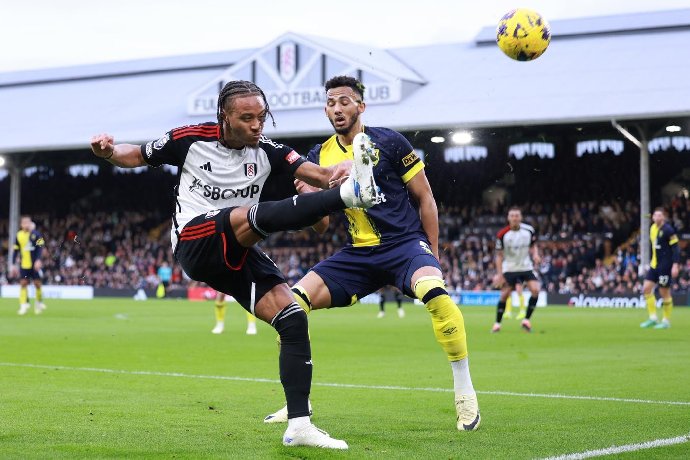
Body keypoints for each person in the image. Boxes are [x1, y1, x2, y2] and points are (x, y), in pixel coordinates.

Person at [90, 79, 382, 450]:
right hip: (196, 241)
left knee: (292, 317)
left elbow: (322, 175)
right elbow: (136, 155)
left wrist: (351, 166)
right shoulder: (190, 138)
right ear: (223, 117)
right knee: (245, 215)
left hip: (236, 248)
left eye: (262, 117)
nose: (257, 125)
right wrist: (108, 151)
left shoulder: (270, 152)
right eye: (246, 118)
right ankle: (349, 198)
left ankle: (299, 425)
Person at [264, 76, 480, 432]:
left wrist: (433, 256)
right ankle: (297, 404)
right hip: (358, 254)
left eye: (345, 101)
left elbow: (425, 198)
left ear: (361, 106)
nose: (337, 108)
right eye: (331, 102)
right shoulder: (319, 157)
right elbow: (319, 226)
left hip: (404, 246)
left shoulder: (390, 141)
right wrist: (307, 197)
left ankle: (465, 393)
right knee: (288, 309)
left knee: (438, 298)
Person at [491, 207, 541, 333]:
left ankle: (526, 320)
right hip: (510, 268)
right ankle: (497, 324)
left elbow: (534, 245)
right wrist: (499, 274)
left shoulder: (529, 230)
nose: (514, 218)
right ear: (508, 218)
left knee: (535, 290)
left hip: (526, 266)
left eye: (517, 215)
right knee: (504, 295)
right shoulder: (502, 234)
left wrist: (535, 254)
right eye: (512, 215)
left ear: (521, 217)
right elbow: (499, 255)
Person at [640, 207, 680, 329]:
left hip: (665, 266)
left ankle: (666, 321)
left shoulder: (669, 230)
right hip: (654, 265)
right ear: (652, 217)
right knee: (646, 289)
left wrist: (675, 265)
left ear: (663, 217)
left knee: (664, 292)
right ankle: (653, 317)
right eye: (655, 215)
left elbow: (676, 248)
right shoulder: (652, 228)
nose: (656, 217)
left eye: (659, 215)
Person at [14, 216, 46, 315]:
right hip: (24, 264)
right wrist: (13, 263)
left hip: (35, 264)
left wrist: (38, 260)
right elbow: (16, 249)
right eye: (24, 223)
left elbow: (41, 247)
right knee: (23, 283)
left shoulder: (36, 234)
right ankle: (23, 305)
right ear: (21, 224)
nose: (26, 224)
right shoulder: (19, 235)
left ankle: (38, 302)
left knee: (37, 284)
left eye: (28, 222)